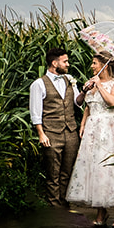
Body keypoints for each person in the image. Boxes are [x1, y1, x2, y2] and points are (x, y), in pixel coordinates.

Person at [65, 50, 114, 228]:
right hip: (93, 130)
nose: (92, 66)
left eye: (94, 63)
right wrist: (83, 121)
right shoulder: (92, 83)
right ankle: (100, 211)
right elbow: (87, 105)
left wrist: (99, 85)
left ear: (105, 65)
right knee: (95, 169)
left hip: (112, 131)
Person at [29, 46, 81, 206]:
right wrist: (41, 134)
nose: (68, 64)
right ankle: (54, 206)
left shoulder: (70, 80)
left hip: (71, 132)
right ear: (54, 63)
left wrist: (85, 92)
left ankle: (64, 201)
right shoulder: (39, 84)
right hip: (51, 133)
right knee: (53, 172)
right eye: (65, 61)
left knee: (68, 170)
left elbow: (77, 102)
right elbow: (36, 111)